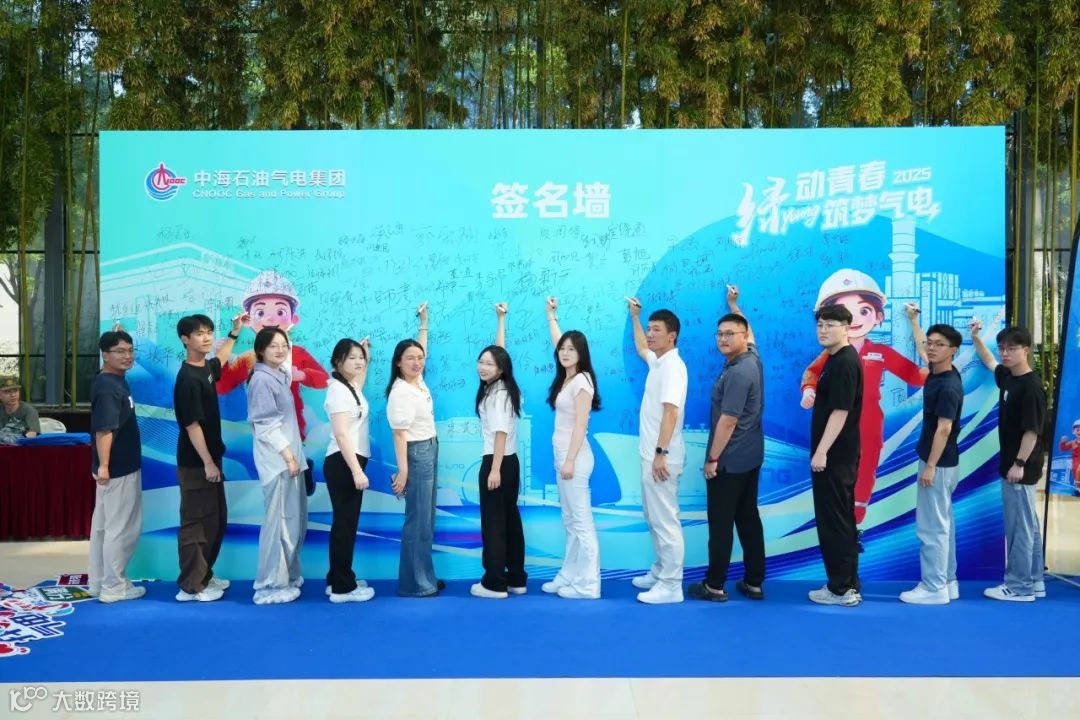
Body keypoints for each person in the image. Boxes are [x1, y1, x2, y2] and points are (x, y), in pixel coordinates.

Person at [799, 269, 927, 544]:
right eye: (843, 313)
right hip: (838, 429)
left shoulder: (880, 352)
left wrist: (938, 365)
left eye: (864, 310)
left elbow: (915, 375)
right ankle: (842, 531)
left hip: (869, 423)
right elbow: (811, 372)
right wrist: (809, 390)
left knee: (866, 469)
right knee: (837, 478)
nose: (854, 319)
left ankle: (854, 526)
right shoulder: (831, 355)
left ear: (878, 316)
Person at [688, 285, 766, 603]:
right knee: (748, 519)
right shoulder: (752, 358)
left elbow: (728, 421)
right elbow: (752, 334)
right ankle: (754, 582)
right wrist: (735, 306)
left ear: (742, 337)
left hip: (729, 461)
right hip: (751, 457)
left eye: (730, 334)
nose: (723, 339)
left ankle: (715, 585)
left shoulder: (739, 373)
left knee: (721, 524)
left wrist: (712, 459)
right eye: (719, 334)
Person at [970, 320, 1048, 602]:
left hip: (1021, 468)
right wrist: (976, 338)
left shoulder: (1031, 387)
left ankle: (1019, 586)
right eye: (1002, 348)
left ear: (1025, 350)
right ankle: (1035, 580)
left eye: (1011, 349)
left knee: (1020, 528)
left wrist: (1019, 463)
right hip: (1015, 466)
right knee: (1028, 525)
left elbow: (1032, 431)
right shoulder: (1009, 377)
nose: (1005, 353)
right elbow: (990, 362)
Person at [174, 312, 246, 603]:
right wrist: (207, 462)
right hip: (197, 464)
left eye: (208, 332)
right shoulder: (187, 379)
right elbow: (191, 425)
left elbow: (220, 360)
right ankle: (191, 586)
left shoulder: (204, 367)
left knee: (215, 520)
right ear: (185, 339)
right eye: (199, 334)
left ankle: (203, 574)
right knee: (197, 523)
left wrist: (234, 333)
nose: (205, 338)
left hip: (212, 460)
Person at [217, 270, 330, 441]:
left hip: (293, 430)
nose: (270, 319)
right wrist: (222, 360)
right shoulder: (249, 358)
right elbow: (223, 387)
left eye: (280, 312)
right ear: (248, 320)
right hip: (264, 432)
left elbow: (324, 380)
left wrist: (302, 375)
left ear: (294, 319)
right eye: (260, 312)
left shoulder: (297, 353)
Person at [626, 298, 688, 604]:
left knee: (665, 520)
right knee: (653, 516)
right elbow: (642, 348)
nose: (650, 334)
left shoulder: (673, 367)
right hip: (652, 456)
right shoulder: (659, 362)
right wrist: (635, 318)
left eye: (656, 330)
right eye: (649, 329)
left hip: (662, 458)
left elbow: (671, 412)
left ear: (671, 336)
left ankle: (671, 585)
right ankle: (661, 569)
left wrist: (660, 453)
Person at [899, 320, 964, 605]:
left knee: (931, 527)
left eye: (940, 344)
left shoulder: (948, 386)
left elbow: (944, 428)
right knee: (944, 524)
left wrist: (930, 466)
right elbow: (922, 349)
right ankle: (948, 581)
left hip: (937, 464)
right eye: (930, 342)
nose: (932, 348)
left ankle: (933, 587)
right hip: (944, 463)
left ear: (954, 350)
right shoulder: (939, 371)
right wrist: (914, 322)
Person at [542, 297, 602, 600]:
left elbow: (580, 426)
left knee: (581, 521)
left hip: (575, 459)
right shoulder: (568, 378)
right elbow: (560, 342)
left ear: (582, 354)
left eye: (572, 350)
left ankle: (589, 584)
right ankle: (570, 574)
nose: (565, 353)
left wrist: (569, 460)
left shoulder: (582, 382)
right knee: (569, 520)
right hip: (563, 458)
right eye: (562, 349)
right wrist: (551, 316)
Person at [807, 303, 864, 606]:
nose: (823, 330)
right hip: (837, 455)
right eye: (820, 325)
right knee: (840, 519)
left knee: (835, 522)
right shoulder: (835, 358)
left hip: (834, 456)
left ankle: (841, 589)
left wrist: (822, 451)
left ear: (846, 327)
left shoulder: (844, 362)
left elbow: (840, 411)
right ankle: (847, 583)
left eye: (830, 325)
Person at [387, 303, 444, 598]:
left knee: (426, 520)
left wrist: (424, 323)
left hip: (429, 448)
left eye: (419, 358)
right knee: (418, 521)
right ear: (398, 362)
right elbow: (399, 434)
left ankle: (425, 577)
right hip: (416, 453)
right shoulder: (401, 391)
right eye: (410, 358)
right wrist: (404, 471)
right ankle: (415, 584)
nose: (417, 362)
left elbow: (422, 350)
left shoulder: (417, 381)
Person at [471, 303, 528, 599]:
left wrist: (493, 470)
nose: (483, 367)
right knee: (509, 519)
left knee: (493, 524)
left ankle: (494, 582)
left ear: (500, 369)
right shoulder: (503, 386)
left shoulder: (498, 394)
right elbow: (500, 351)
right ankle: (516, 578)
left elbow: (501, 432)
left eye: (489, 364)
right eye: (481, 361)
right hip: (510, 462)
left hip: (497, 461)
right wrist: (501, 320)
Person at [248, 327, 308, 605]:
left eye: (283, 345)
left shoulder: (279, 374)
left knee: (293, 522)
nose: (281, 350)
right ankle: (270, 584)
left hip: (290, 461)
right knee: (279, 523)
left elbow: (287, 353)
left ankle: (288, 576)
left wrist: (294, 457)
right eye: (273, 346)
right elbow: (266, 426)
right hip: (278, 463)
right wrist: (288, 456)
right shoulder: (262, 379)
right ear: (260, 350)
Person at [88, 330, 144, 604]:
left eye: (130, 350)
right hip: (118, 468)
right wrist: (105, 465)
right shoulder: (109, 387)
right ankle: (114, 586)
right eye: (120, 351)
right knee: (121, 528)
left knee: (105, 527)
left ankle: (100, 582)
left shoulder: (111, 380)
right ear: (105, 355)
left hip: (115, 466)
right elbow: (104, 430)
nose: (127, 356)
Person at [323, 336, 375, 603]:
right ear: (337, 362)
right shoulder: (338, 391)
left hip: (350, 461)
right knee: (345, 525)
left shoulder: (349, 386)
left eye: (360, 358)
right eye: (351, 358)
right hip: (344, 463)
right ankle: (342, 588)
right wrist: (356, 471)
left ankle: (337, 578)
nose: (358, 362)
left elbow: (360, 381)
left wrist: (367, 355)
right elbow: (342, 434)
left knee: (345, 523)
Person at [0, 376, 40, 444]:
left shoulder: (29, 410)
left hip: (22, 447)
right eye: (8, 392)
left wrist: (14, 442)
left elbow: (33, 434)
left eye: (16, 391)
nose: (13, 395)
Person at [1058, 420, 1080, 495]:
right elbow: (1063, 448)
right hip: (1075, 463)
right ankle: (1077, 488)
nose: (1079, 432)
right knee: (1076, 474)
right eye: (1077, 430)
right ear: (1073, 431)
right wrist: (1063, 442)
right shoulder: (1073, 442)